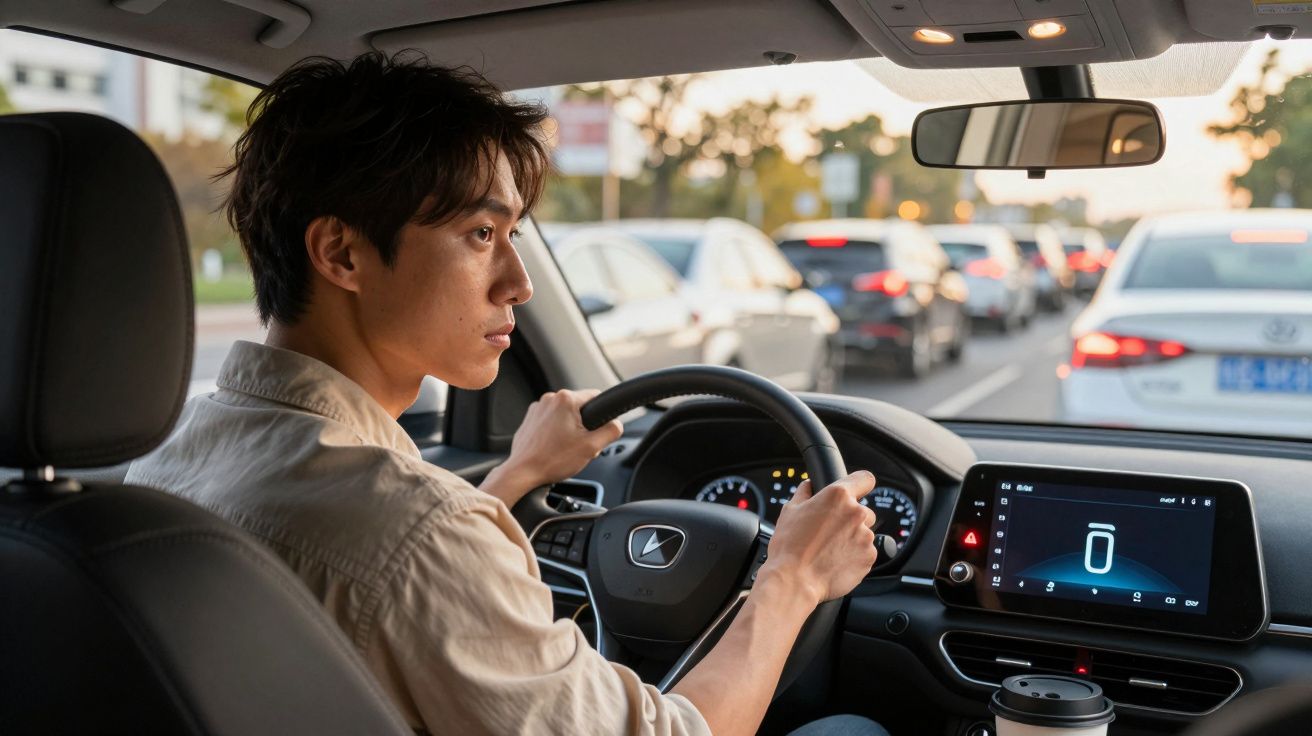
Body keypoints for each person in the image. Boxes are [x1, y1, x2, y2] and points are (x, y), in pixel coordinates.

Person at [127, 52, 888, 736]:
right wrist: (791, 578)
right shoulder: (421, 533)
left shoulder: (171, 460)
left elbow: (385, 582)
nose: (519, 283)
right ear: (341, 253)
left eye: (514, 236)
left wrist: (517, 478)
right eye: (481, 236)